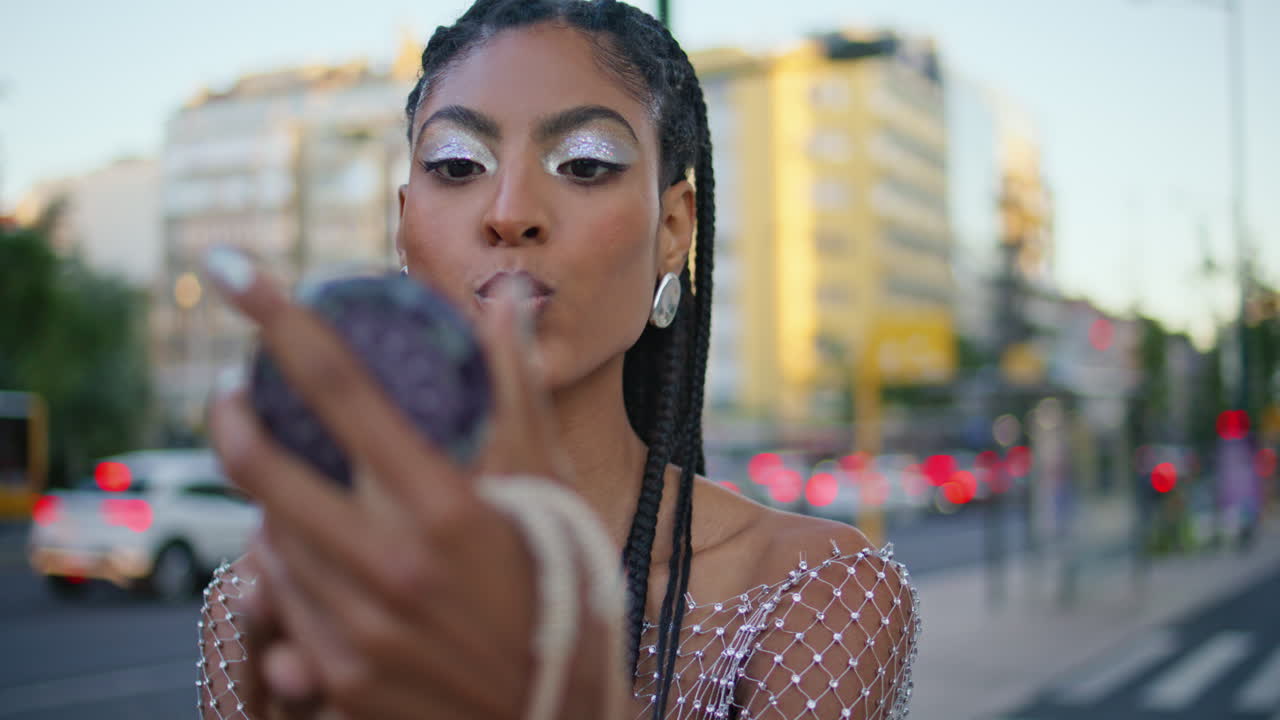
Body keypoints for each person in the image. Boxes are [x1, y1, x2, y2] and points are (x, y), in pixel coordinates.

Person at [196, 1, 921, 718]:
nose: (510, 211)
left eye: (583, 163)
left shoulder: (814, 591)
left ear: (673, 230)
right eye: (456, 165)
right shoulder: (267, 605)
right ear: (403, 224)